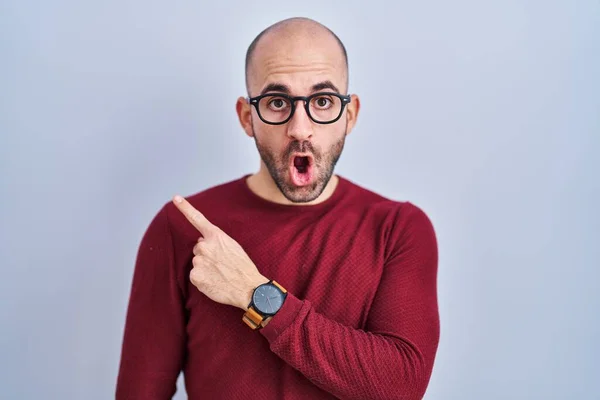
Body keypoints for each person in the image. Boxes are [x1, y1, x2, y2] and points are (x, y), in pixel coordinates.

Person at [116, 17, 440, 400]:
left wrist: (255, 294)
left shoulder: (398, 228)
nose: (300, 128)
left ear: (349, 115)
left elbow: (401, 386)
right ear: (246, 117)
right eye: (277, 102)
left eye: (322, 101)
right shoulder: (184, 227)